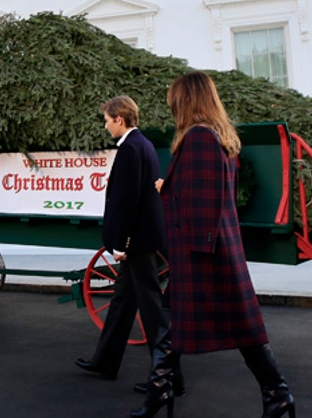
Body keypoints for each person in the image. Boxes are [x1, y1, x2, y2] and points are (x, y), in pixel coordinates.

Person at [140, 71, 295, 418]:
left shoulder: (197, 138)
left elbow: (201, 201)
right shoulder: (218, 137)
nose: (171, 106)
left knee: (235, 327)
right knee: (180, 320)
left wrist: (166, 191)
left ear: (187, 101)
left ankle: (277, 393)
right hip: (212, 248)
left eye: (174, 100)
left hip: (202, 253)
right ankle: (161, 391)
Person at [75, 97, 182, 399]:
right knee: (123, 302)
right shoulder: (143, 144)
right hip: (145, 237)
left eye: (107, 119)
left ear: (119, 119)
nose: (105, 124)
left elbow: (125, 201)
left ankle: (170, 378)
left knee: (152, 311)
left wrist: (119, 243)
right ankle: (105, 361)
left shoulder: (130, 148)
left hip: (139, 241)